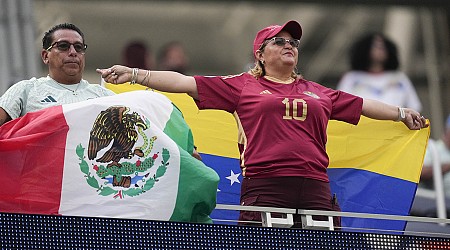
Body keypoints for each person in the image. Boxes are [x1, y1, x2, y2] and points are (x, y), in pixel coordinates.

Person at [97, 20, 428, 228]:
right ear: (260, 52)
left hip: (315, 188)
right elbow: (184, 82)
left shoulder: (317, 90)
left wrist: (401, 113)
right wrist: (136, 74)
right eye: (280, 41)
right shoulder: (242, 85)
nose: (289, 46)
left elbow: (362, 106)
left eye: (293, 43)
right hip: (267, 187)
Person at [0, 23, 115, 126]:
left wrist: (133, 75)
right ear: (45, 56)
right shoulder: (26, 90)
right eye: (63, 46)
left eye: (78, 47)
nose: (73, 52)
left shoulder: (104, 96)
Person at [337, 33, 422, 112]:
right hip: (361, 126)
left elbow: (414, 106)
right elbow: (341, 105)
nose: (380, 50)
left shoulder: (399, 78)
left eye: (383, 47)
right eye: (375, 46)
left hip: (394, 125)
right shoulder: (351, 78)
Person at [420, 115, 450, 196]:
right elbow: (421, 173)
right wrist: (446, 167)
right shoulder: (433, 149)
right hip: (439, 204)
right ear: (447, 131)